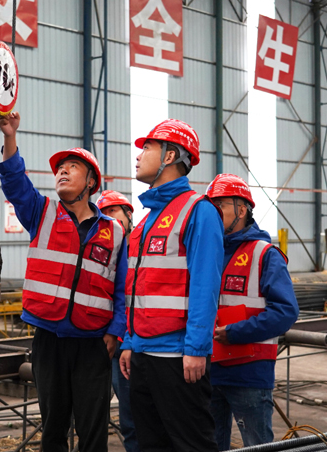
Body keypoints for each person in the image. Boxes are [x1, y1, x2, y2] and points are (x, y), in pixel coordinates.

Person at [0, 111, 127, 452]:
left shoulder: (114, 232)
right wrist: (10, 136)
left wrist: (115, 332)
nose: (62, 172)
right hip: (49, 339)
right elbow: (14, 182)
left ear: (91, 182)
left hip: (93, 343)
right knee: (53, 429)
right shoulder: (42, 213)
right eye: (59, 169)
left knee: (93, 430)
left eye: (72, 167)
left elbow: (122, 289)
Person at [119, 119, 223, 452]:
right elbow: (137, 290)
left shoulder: (198, 211)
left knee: (192, 445)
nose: (138, 156)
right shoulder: (147, 219)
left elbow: (205, 286)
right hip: (142, 355)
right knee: (151, 445)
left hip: (178, 358)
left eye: (147, 148)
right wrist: (130, 341)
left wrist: (196, 349)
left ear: (169, 156)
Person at [206, 174, 299, 450]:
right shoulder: (206, 252)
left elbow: (285, 311)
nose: (214, 212)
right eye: (211, 206)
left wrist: (236, 332)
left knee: (256, 445)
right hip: (208, 371)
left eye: (221, 205)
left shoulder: (265, 254)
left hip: (249, 374)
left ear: (242, 210)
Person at [96, 189, 139, 452]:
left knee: (136, 415)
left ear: (128, 214)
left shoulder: (143, 245)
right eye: (103, 213)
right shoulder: (104, 250)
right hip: (110, 341)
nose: (109, 218)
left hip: (136, 342)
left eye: (113, 211)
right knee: (123, 416)